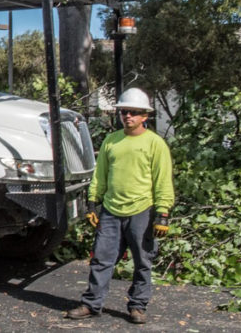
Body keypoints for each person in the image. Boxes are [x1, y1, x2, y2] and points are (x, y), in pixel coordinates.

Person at [66, 87, 174, 325]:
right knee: (101, 260)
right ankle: (92, 304)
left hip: (142, 212)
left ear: (145, 115)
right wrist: (93, 202)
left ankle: (137, 306)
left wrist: (163, 213)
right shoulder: (111, 141)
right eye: (124, 111)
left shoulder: (155, 144)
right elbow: (100, 175)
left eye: (134, 112)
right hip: (111, 211)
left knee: (143, 262)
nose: (128, 116)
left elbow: (163, 180)